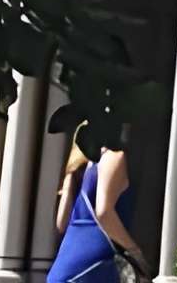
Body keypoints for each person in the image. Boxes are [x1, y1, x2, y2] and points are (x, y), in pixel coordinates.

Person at [46, 118, 143, 283]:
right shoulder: (114, 156)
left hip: (64, 268)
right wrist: (136, 253)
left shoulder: (81, 168)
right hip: (92, 267)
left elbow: (62, 223)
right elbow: (104, 213)